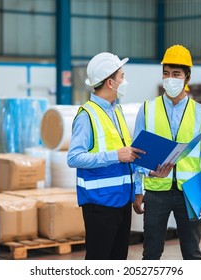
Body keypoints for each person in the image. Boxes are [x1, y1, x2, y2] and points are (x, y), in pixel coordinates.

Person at [132, 45, 201, 260]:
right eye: (166, 73)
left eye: (176, 74)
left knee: (192, 252)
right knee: (151, 252)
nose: (170, 79)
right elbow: (136, 154)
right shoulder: (147, 109)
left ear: (186, 77)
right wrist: (138, 190)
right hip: (156, 191)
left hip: (190, 193)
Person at [67, 52, 145, 260]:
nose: (124, 81)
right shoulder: (87, 115)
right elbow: (74, 157)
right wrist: (115, 156)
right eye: (122, 76)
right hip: (99, 204)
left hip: (121, 200)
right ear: (110, 82)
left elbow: (126, 154)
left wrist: (137, 189)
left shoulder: (116, 110)